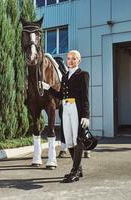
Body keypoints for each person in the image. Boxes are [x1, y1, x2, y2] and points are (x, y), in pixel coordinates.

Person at [40, 50, 90, 183]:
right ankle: (78, 169)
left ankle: (74, 171)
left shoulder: (83, 75)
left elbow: (85, 97)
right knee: (68, 140)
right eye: (68, 58)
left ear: (79, 60)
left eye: (74, 58)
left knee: (78, 139)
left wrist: (86, 115)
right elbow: (61, 96)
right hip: (65, 108)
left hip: (76, 109)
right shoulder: (65, 76)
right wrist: (48, 88)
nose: (71, 61)